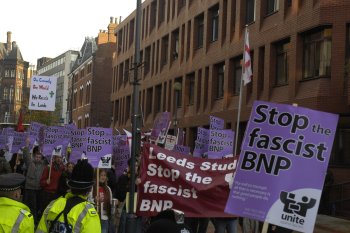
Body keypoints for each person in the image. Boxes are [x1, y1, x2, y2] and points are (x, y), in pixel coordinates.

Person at [36, 159, 101, 233]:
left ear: (71, 186)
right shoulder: (89, 214)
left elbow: (40, 230)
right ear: (89, 189)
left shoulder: (53, 204)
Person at [23, 145, 46, 224]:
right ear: (34, 156)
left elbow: (49, 157)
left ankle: (35, 220)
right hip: (30, 188)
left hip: (39, 189)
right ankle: (32, 221)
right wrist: (27, 145)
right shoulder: (30, 163)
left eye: (39, 157)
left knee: (37, 206)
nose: (38, 158)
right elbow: (26, 156)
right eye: (36, 157)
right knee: (31, 206)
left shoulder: (43, 165)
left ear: (41, 158)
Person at [94, 169, 114, 233]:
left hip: (105, 216)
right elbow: (88, 201)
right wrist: (94, 200)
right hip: (94, 216)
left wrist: (114, 203)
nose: (103, 177)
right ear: (97, 176)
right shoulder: (92, 188)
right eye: (101, 175)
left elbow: (110, 202)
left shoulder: (108, 188)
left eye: (104, 175)